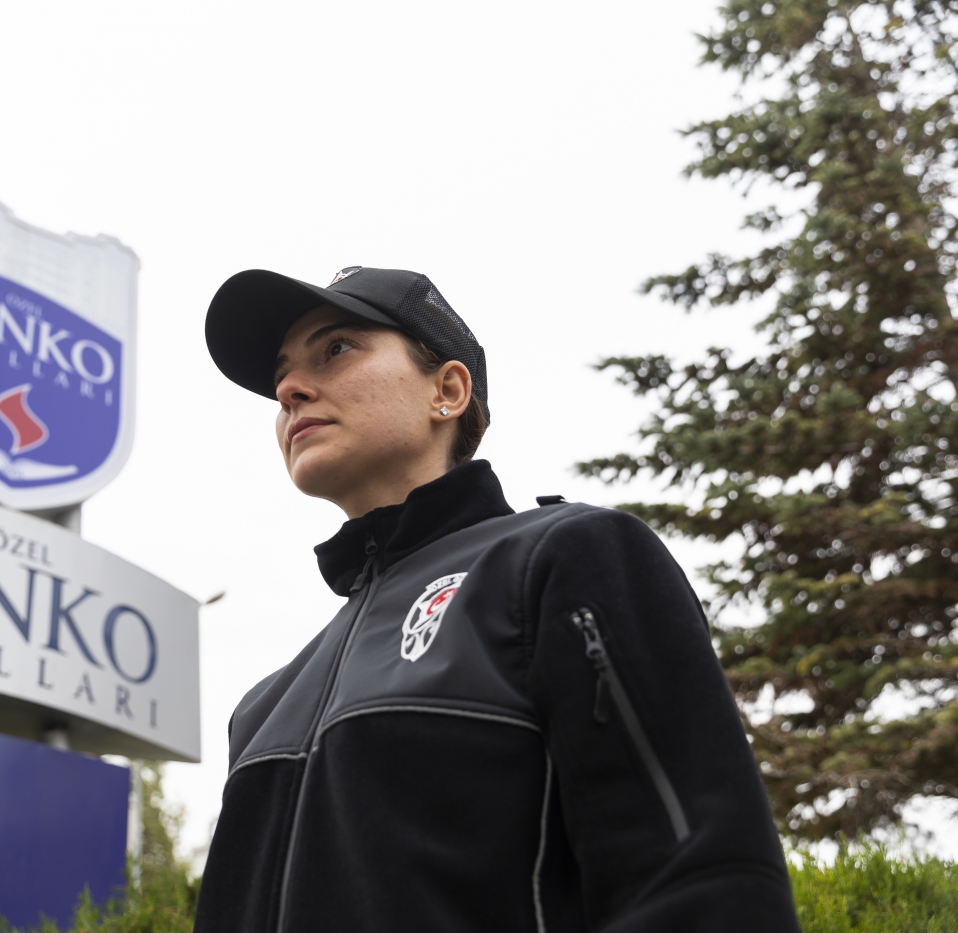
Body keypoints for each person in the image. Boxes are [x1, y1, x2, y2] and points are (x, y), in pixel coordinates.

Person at [194, 266, 799, 932]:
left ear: (448, 391)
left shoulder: (567, 558)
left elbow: (703, 879)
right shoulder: (260, 711)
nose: (288, 390)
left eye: (336, 348)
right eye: (281, 375)